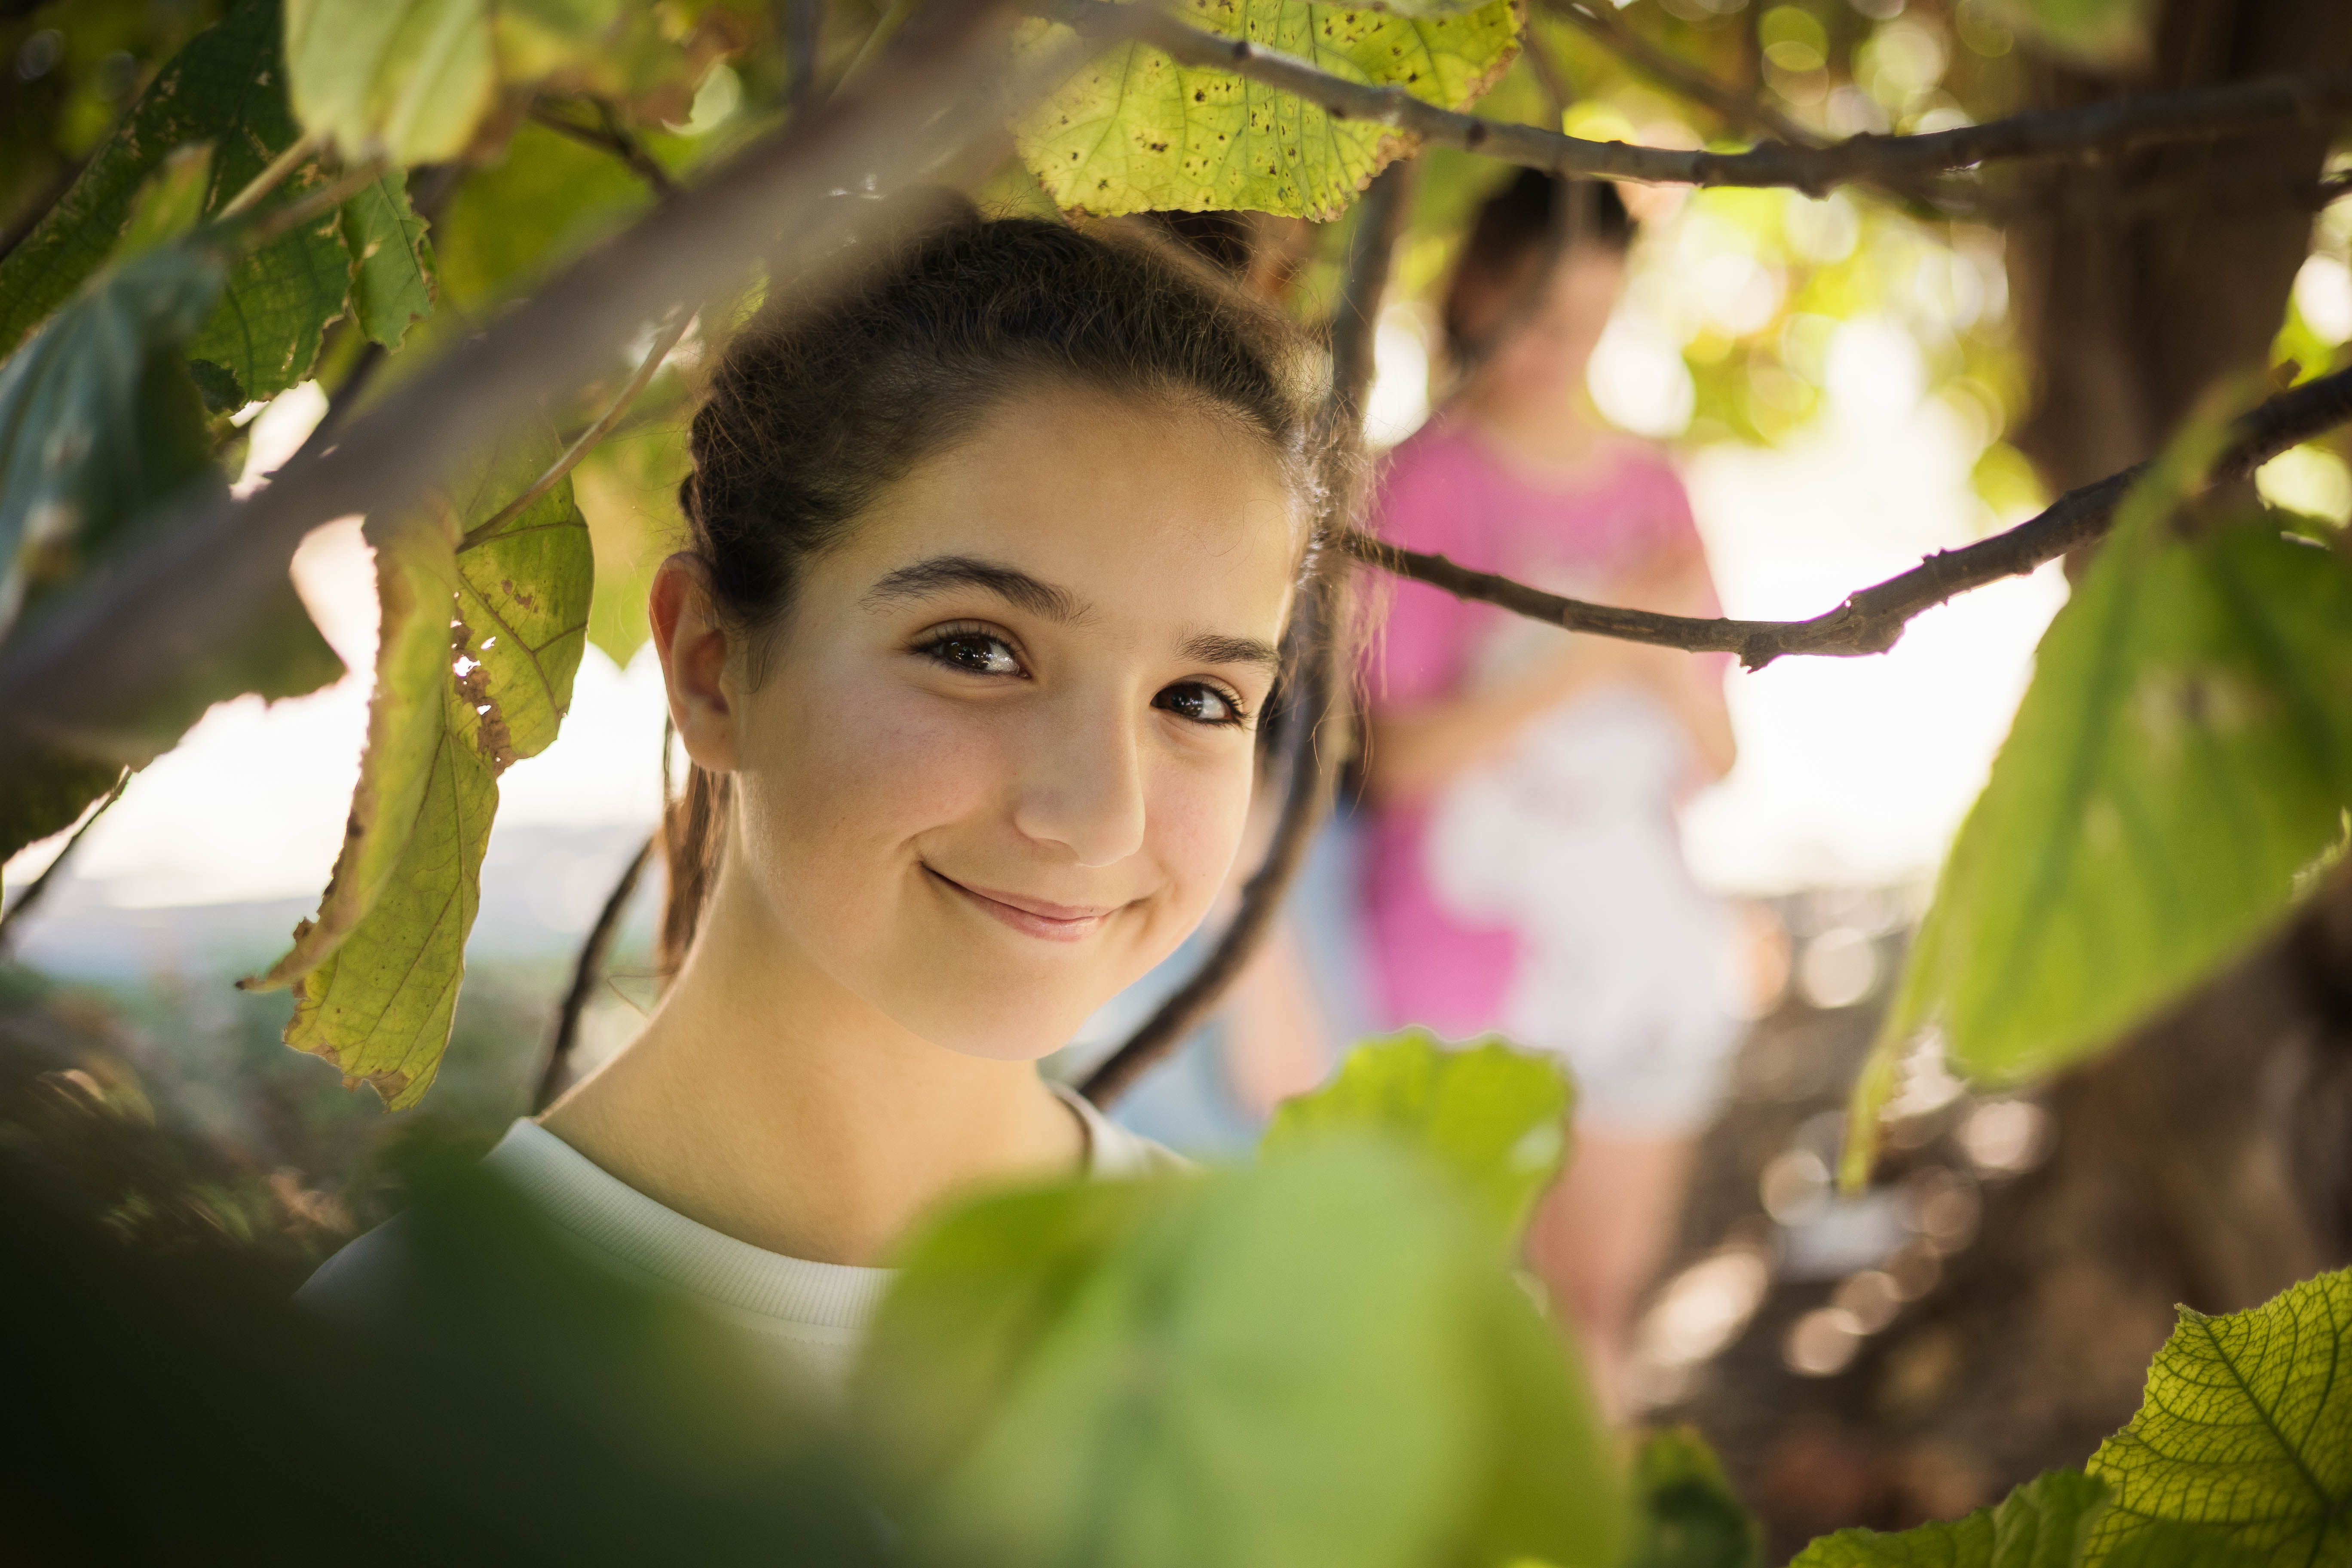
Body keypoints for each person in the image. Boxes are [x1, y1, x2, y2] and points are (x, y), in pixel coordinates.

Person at [300, 202, 1327, 1396]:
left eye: (1199, 699)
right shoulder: (387, 1374)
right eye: (979, 651)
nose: (1104, 818)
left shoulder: (1293, 1353)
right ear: (712, 667)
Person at [1358, 170, 1741, 1405]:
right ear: (1473, 286)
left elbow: (1716, 757)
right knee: (1447, 1334)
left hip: (1639, 952)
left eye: (1579, 322)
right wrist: (1598, 641)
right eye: (1527, 311)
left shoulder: (1653, 490)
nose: (1547, 349)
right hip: (1459, 967)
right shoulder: (1416, 489)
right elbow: (1400, 759)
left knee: (1596, 1316)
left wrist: (1655, 654)